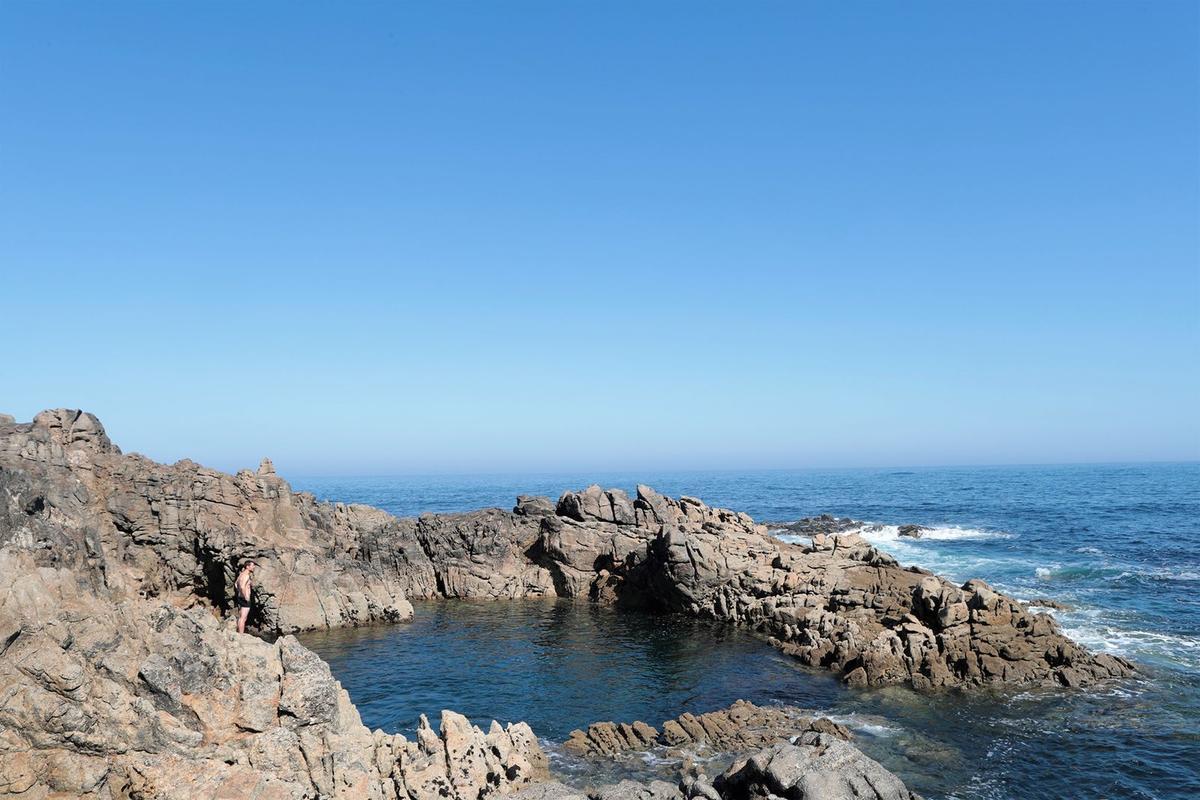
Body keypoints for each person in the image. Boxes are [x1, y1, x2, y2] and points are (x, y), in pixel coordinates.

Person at [235, 560, 257, 633]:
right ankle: (241, 635)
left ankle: (239, 633)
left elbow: (236, 584)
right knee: (243, 618)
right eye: (252, 565)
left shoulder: (241, 574)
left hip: (240, 598)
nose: (254, 567)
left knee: (241, 617)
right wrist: (245, 596)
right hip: (245, 599)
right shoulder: (246, 576)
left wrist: (240, 594)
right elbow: (241, 586)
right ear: (247, 567)